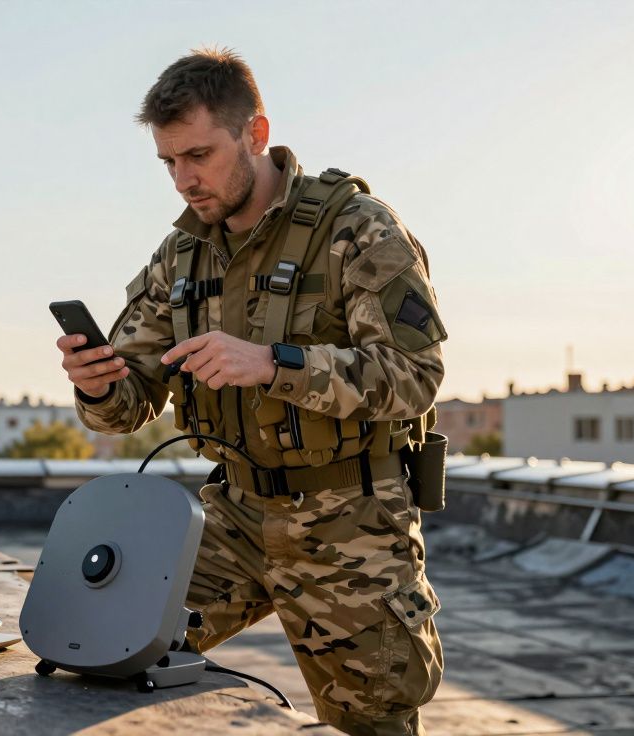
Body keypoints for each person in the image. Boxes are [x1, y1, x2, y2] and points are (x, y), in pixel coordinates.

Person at [57, 48, 446, 736]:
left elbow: (413, 378)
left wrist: (272, 364)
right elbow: (127, 408)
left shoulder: (357, 230)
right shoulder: (181, 258)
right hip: (234, 514)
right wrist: (98, 384)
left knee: (372, 721)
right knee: (106, 645)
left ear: (255, 134)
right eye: (169, 162)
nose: (184, 180)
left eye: (199, 155)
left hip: (347, 520)